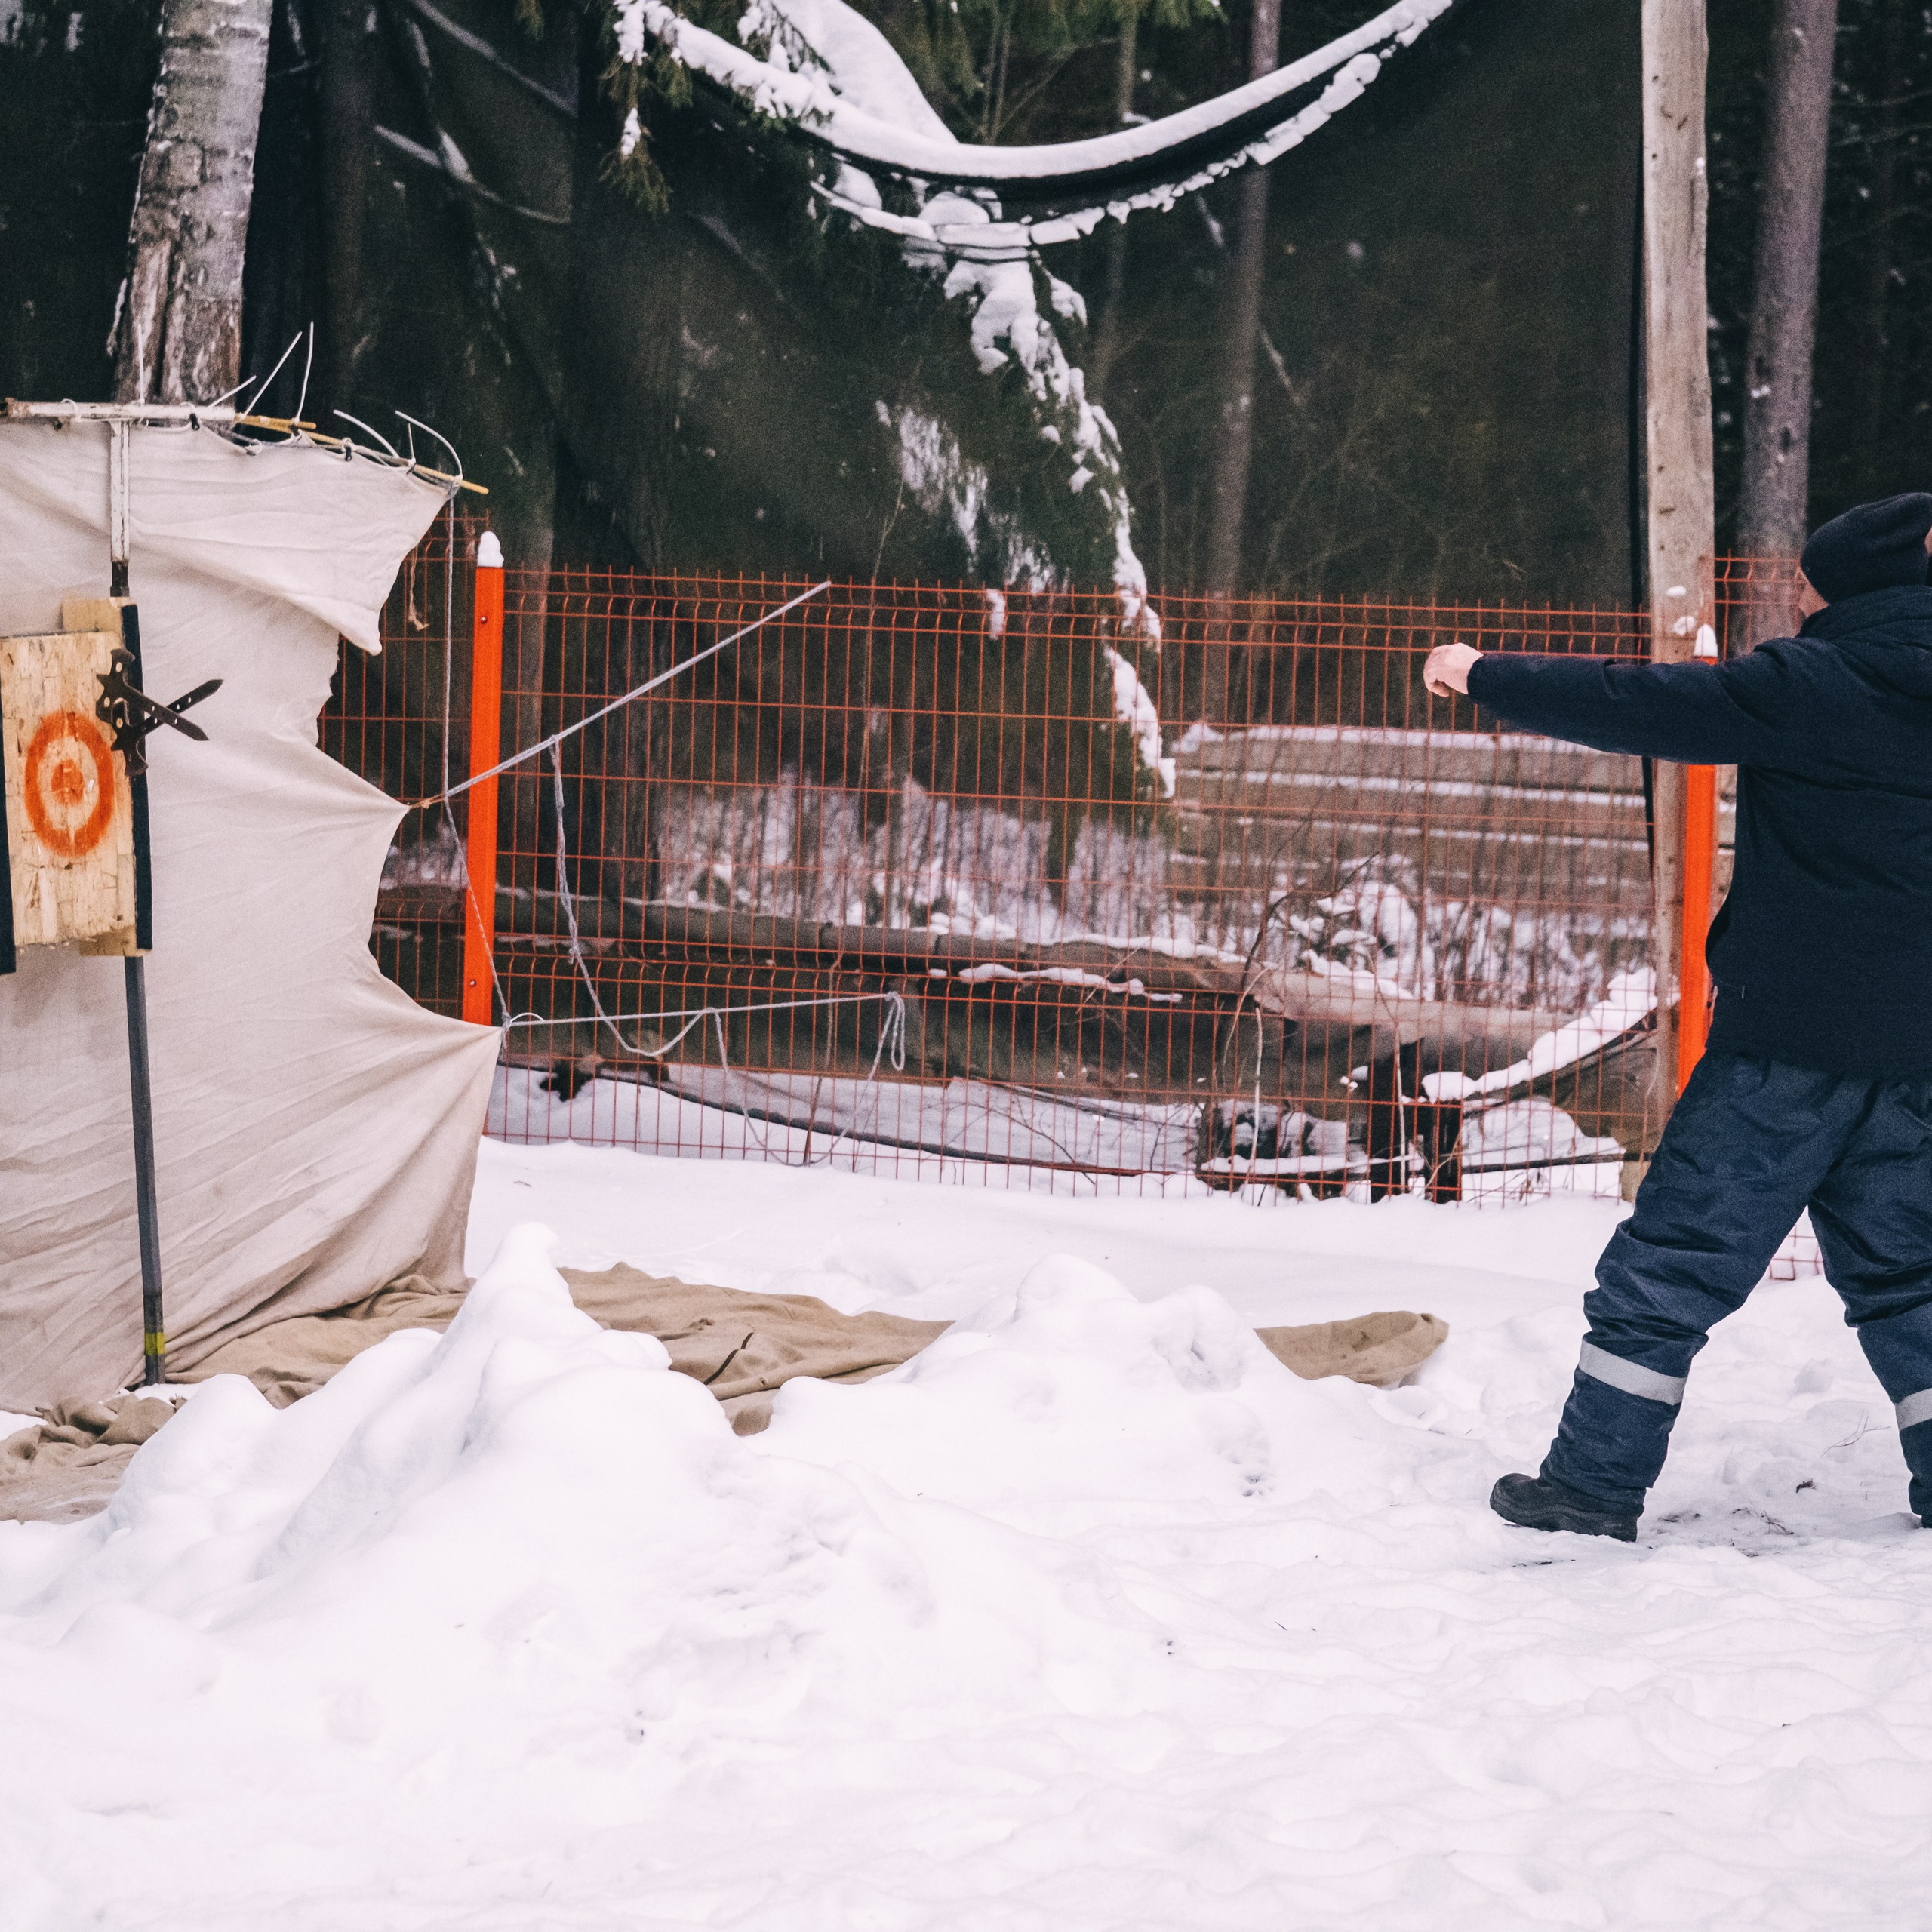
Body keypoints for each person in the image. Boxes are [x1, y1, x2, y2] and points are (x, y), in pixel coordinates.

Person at [1421, 494, 1932, 1540]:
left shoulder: (1813, 684)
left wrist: (1480, 673)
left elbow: (1637, 701)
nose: (1795, 597)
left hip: (1785, 1052)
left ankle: (1590, 1486)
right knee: (1914, 1277)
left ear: (1852, 586)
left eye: (1806, 582)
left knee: (1669, 1266)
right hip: (1917, 1057)